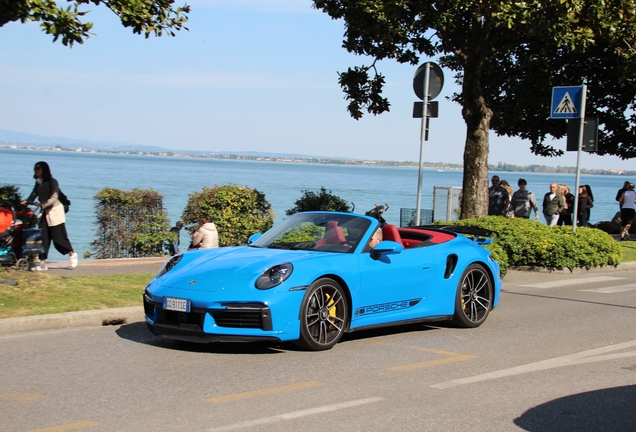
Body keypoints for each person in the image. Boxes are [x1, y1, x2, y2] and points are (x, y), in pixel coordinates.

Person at [20, 161, 78, 271]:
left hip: (55, 211)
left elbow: (54, 197)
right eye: (35, 168)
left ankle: (72, 254)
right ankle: (42, 262)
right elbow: (33, 195)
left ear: (44, 170)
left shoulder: (52, 181)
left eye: (38, 168)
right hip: (44, 212)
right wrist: (27, 201)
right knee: (43, 237)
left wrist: (43, 204)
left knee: (58, 238)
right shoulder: (38, 182)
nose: (36, 170)